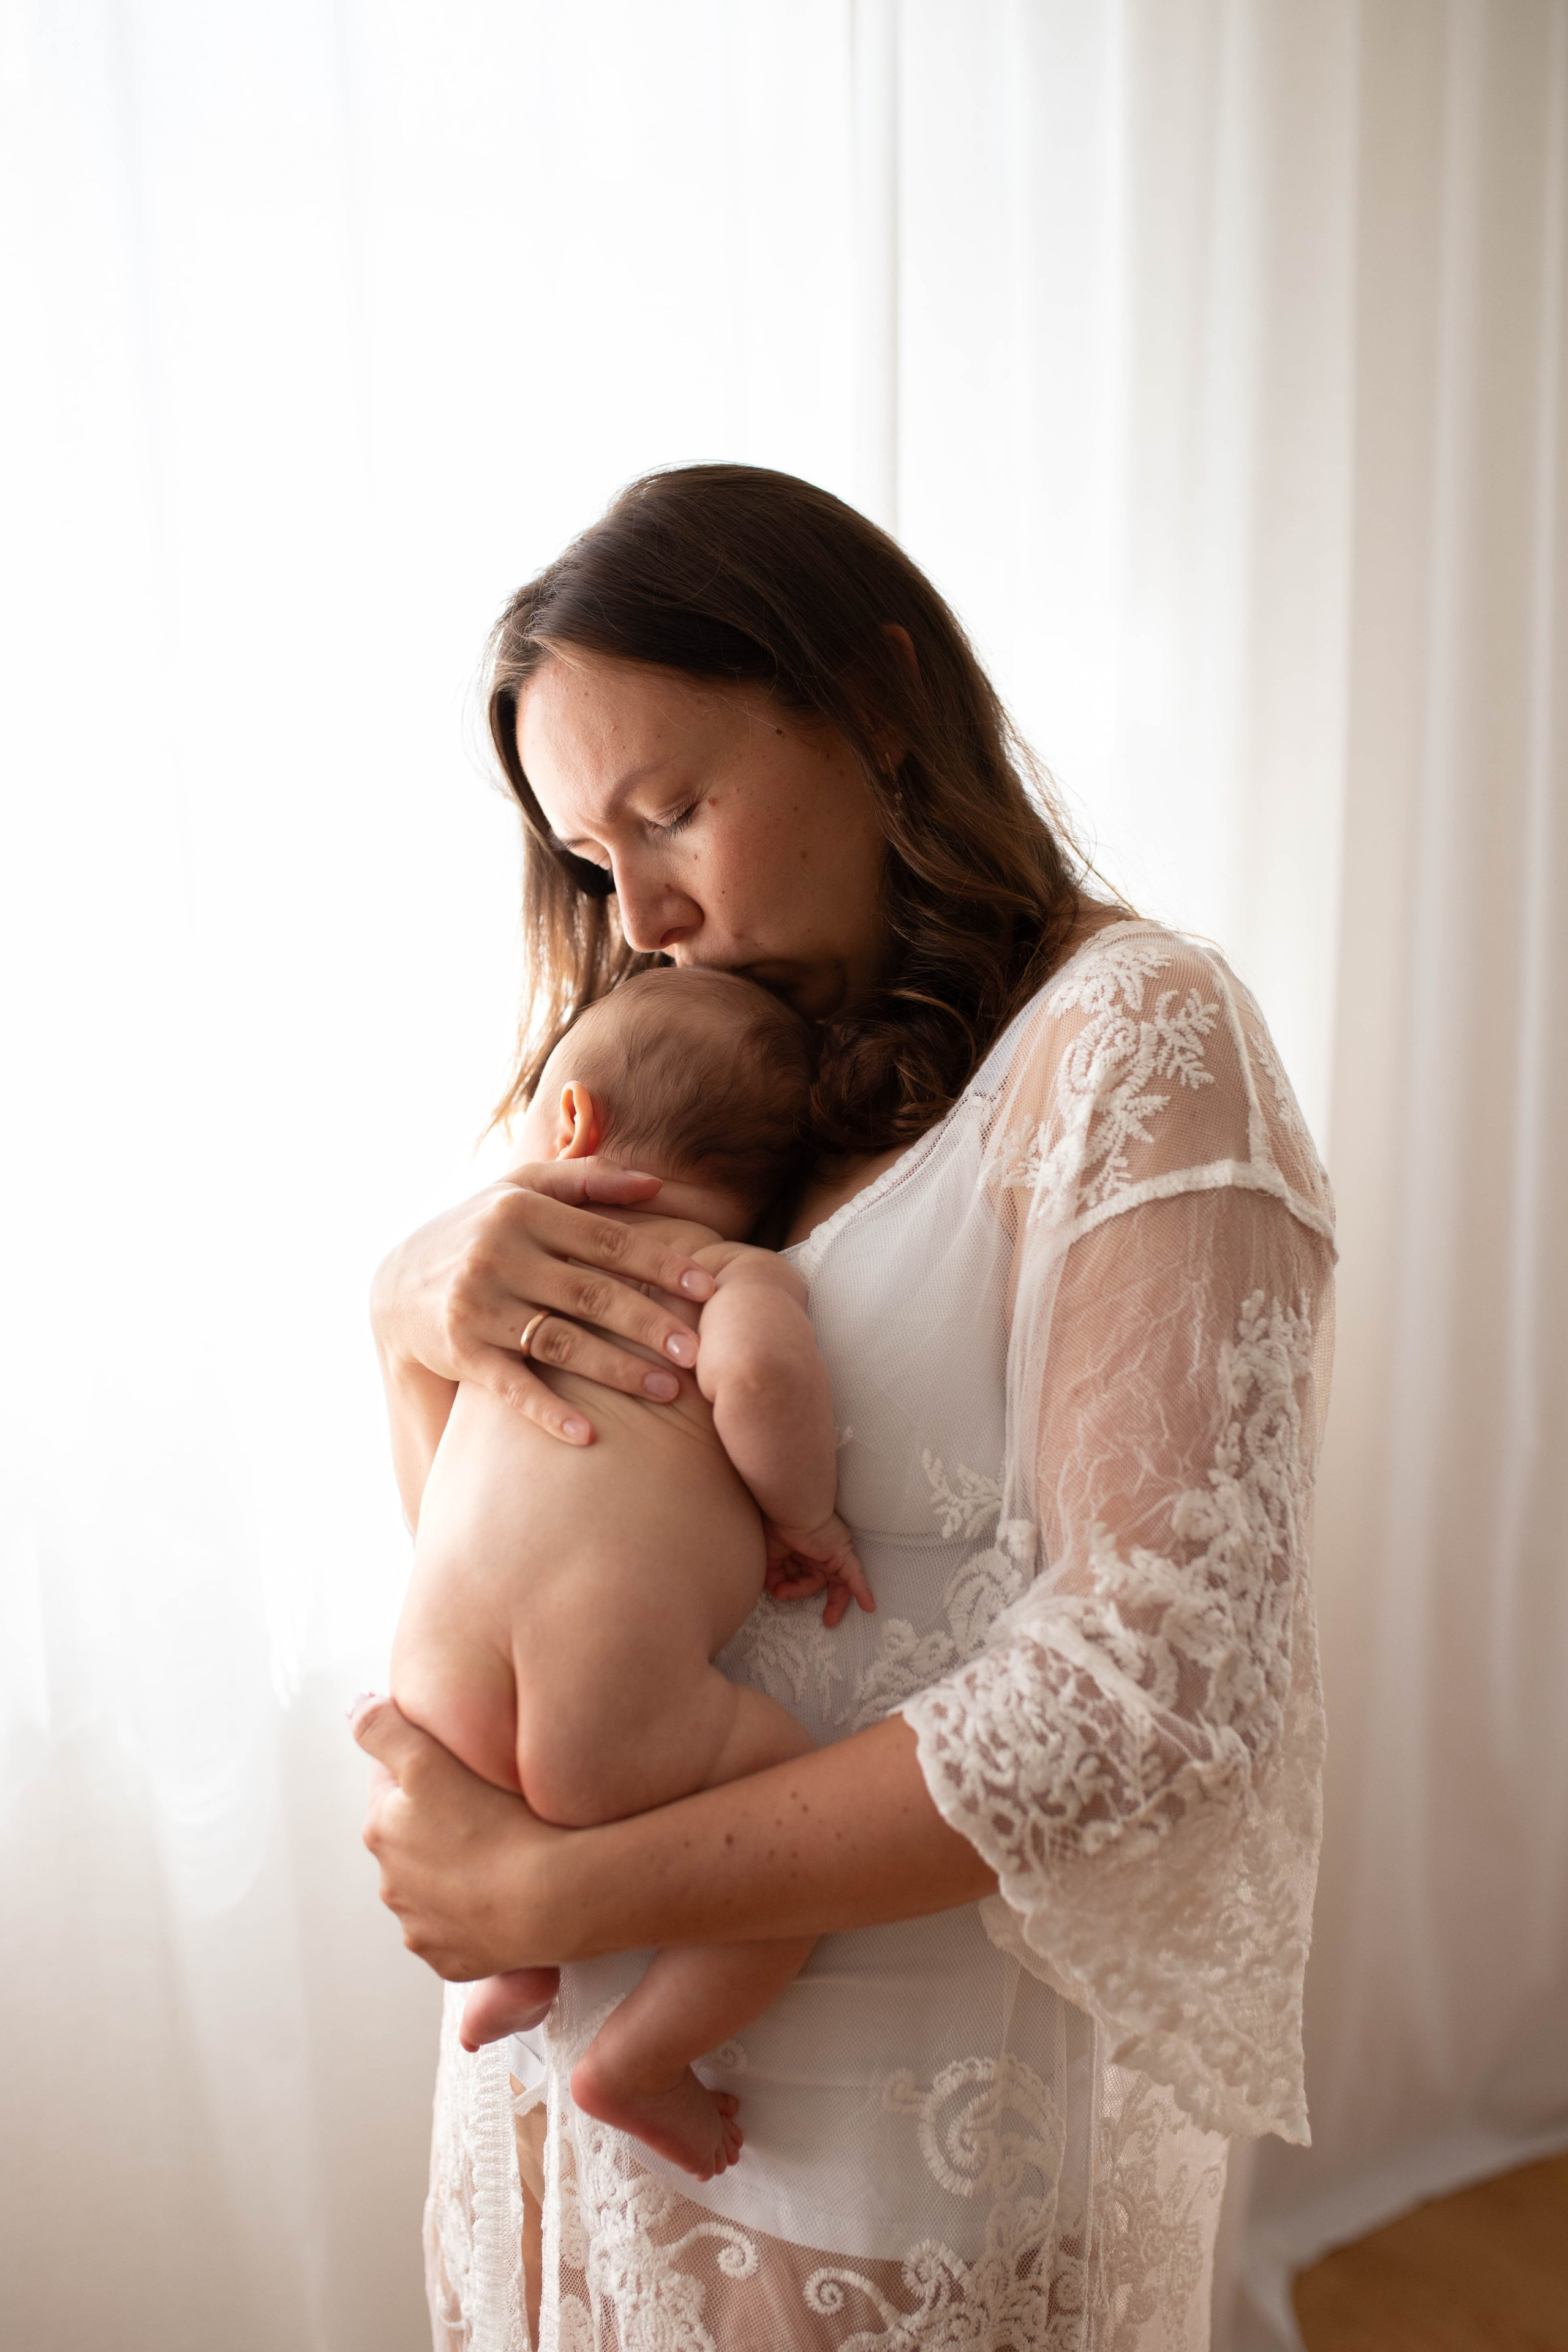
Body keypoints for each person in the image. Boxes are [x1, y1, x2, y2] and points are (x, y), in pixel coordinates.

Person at [355, 463, 1335, 2352]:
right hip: (560, 2132)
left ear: (879, 701)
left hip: (863, 2179)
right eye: (588, 859)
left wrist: (560, 1883)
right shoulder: (700, 1097)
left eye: (673, 811)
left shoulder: (1129, 1040)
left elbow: (1158, 1677)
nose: (636, 909)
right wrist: (403, 1316)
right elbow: (530, 1549)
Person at [391, 963, 873, 2182]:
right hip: (606, 1702)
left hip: (431, 1687)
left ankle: (518, 1966)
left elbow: (440, 1465)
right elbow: (761, 1386)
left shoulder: (498, 1305)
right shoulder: (729, 1276)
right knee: (782, 1811)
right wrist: (805, 1516)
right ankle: (636, 2062)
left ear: (571, 1123)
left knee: (511, 1766)